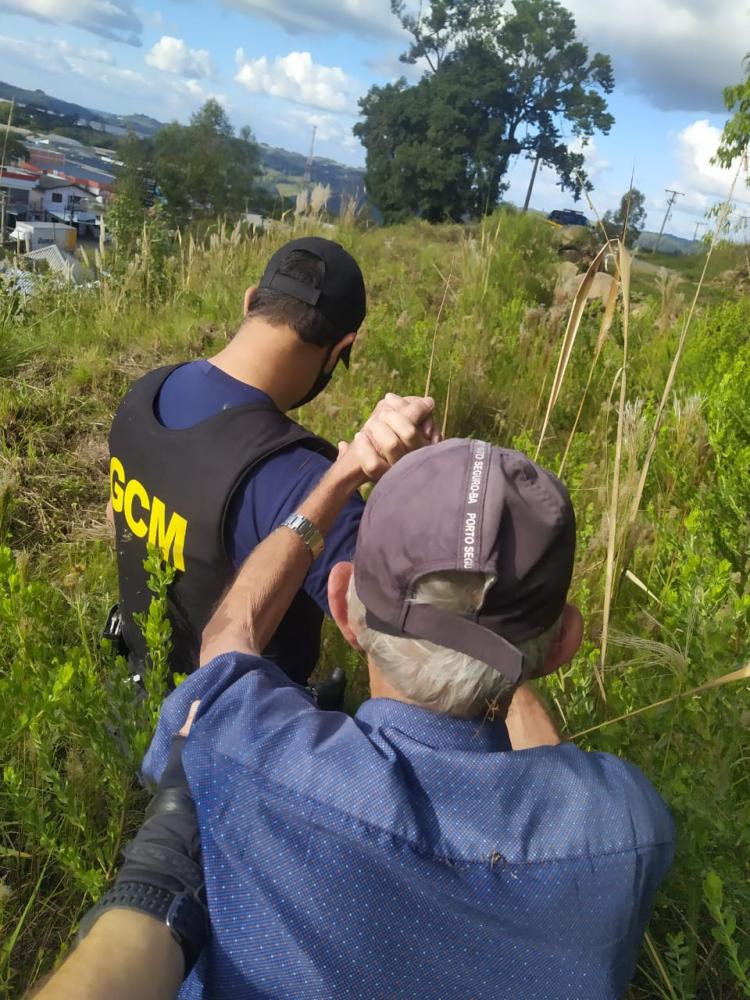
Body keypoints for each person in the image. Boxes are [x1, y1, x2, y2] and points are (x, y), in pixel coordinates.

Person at [55, 433, 675, 1000]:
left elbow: (230, 634)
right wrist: (507, 659)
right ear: (564, 644)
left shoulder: (237, 741)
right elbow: (551, 770)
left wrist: (336, 481)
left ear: (344, 610)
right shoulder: (627, 828)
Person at [107, 235, 437, 688]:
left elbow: (118, 515)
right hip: (235, 741)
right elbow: (416, 646)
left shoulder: (145, 393)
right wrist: (419, 484)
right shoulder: (309, 484)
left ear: (249, 303)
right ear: (340, 350)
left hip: (129, 696)